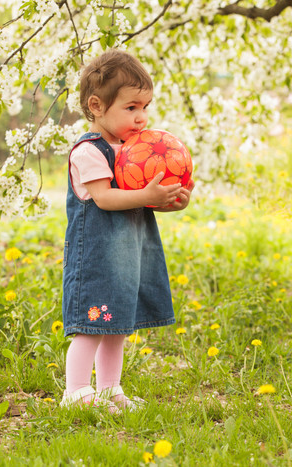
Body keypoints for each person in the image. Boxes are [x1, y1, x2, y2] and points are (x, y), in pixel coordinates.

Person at [61, 49, 193, 411]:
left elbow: (141, 200)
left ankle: (108, 388)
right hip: (97, 258)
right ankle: (74, 391)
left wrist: (168, 200)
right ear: (97, 106)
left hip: (126, 256)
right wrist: (145, 193)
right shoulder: (89, 152)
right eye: (132, 107)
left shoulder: (134, 151)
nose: (142, 117)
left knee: (117, 324)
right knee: (91, 324)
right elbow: (104, 198)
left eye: (145, 107)